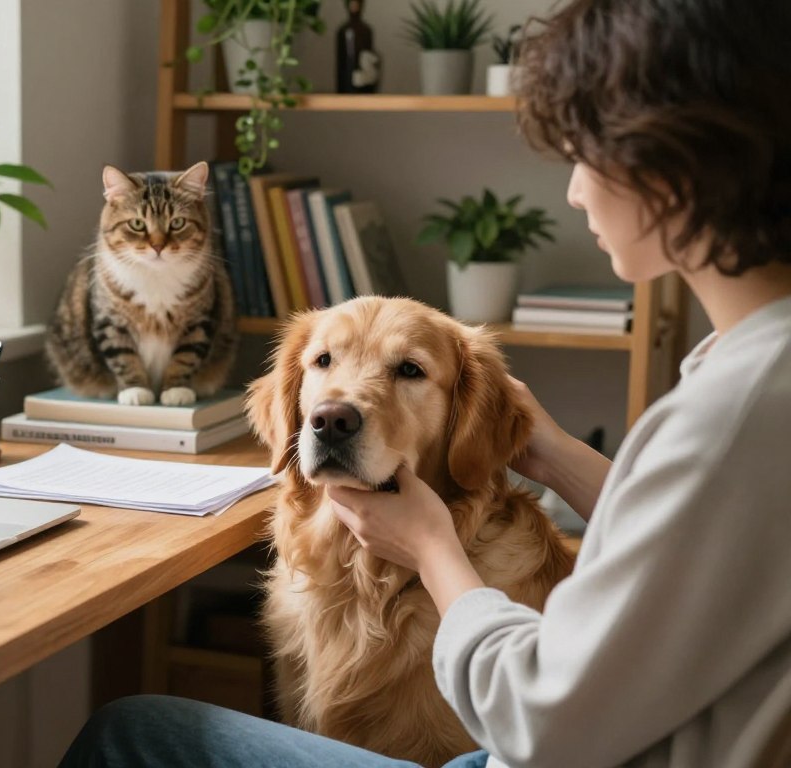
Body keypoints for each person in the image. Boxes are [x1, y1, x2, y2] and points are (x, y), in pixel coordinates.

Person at [58, 0, 791, 765]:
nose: (575, 192)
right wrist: (556, 455)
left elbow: (544, 723)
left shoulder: (734, 412)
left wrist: (434, 549)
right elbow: (695, 542)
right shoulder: (743, 368)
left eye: (586, 153)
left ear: (673, 161)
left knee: (132, 734)